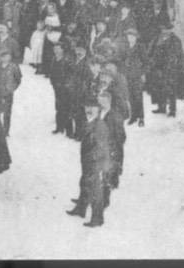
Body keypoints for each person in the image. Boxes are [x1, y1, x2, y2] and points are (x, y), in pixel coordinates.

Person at [67, 100, 111, 228]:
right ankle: (81, 208)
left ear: (98, 110)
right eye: (87, 107)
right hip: (88, 160)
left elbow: (101, 147)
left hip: (95, 161)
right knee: (85, 183)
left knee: (95, 189)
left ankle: (97, 218)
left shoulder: (99, 126)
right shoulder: (90, 122)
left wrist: (94, 160)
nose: (89, 110)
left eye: (93, 107)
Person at [147, 21, 184, 117]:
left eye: (167, 29)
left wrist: (174, 66)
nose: (165, 31)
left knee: (171, 89)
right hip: (157, 67)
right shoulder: (157, 38)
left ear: (170, 30)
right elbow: (151, 51)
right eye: (163, 29)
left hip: (170, 68)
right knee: (158, 87)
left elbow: (177, 55)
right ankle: (161, 107)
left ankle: (172, 110)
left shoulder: (175, 40)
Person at [49, 43, 74, 136]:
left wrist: (66, 84)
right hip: (57, 87)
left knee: (66, 109)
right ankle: (59, 128)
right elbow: (51, 72)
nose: (56, 50)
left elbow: (71, 73)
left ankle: (69, 131)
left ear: (62, 50)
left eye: (58, 48)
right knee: (58, 107)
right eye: (54, 48)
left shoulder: (67, 60)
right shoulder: (54, 59)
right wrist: (52, 82)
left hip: (65, 88)